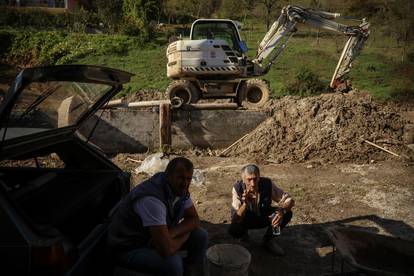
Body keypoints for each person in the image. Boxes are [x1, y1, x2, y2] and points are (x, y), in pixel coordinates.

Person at [107, 157, 208, 276]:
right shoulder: (152, 199)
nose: (185, 183)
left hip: (152, 238)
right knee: (173, 263)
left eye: (188, 179)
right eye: (180, 178)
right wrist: (184, 235)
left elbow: (194, 219)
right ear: (168, 176)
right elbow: (167, 250)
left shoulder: (178, 189)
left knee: (201, 235)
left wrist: (172, 234)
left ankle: (189, 271)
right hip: (128, 247)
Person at [229, 164, 294, 256]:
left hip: (263, 215)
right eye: (249, 179)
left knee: (286, 214)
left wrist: (281, 212)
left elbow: (289, 200)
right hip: (246, 219)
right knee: (234, 228)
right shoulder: (237, 188)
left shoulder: (267, 184)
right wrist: (245, 204)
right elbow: (237, 218)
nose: (253, 183)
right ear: (243, 179)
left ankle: (269, 240)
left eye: (255, 179)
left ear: (259, 177)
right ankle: (244, 236)